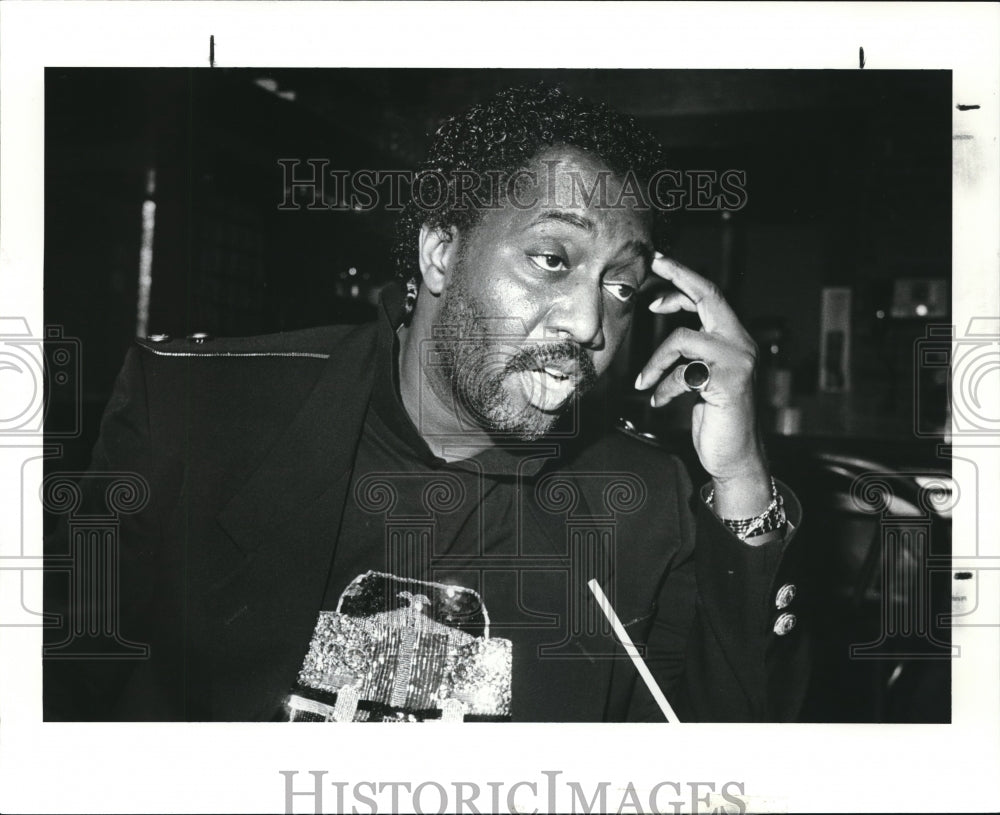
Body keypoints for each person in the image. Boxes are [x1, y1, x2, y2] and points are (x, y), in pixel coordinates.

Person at [44, 84, 807, 723]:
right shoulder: (197, 411)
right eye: (552, 260)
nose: (589, 323)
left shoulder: (641, 503)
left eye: (622, 287)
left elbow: (725, 754)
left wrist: (741, 476)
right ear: (440, 251)